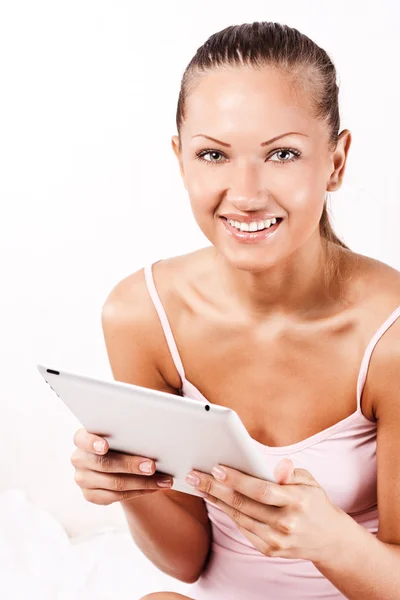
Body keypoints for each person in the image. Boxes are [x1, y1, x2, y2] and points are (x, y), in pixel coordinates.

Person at [71, 21, 400, 600]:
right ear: (181, 161)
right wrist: (132, 488)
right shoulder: (141, 315)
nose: (246, 194)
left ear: (337, 161)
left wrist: (331, 541)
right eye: (213, 155)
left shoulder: (389, 336)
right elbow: (187, 562)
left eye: (283, 153)